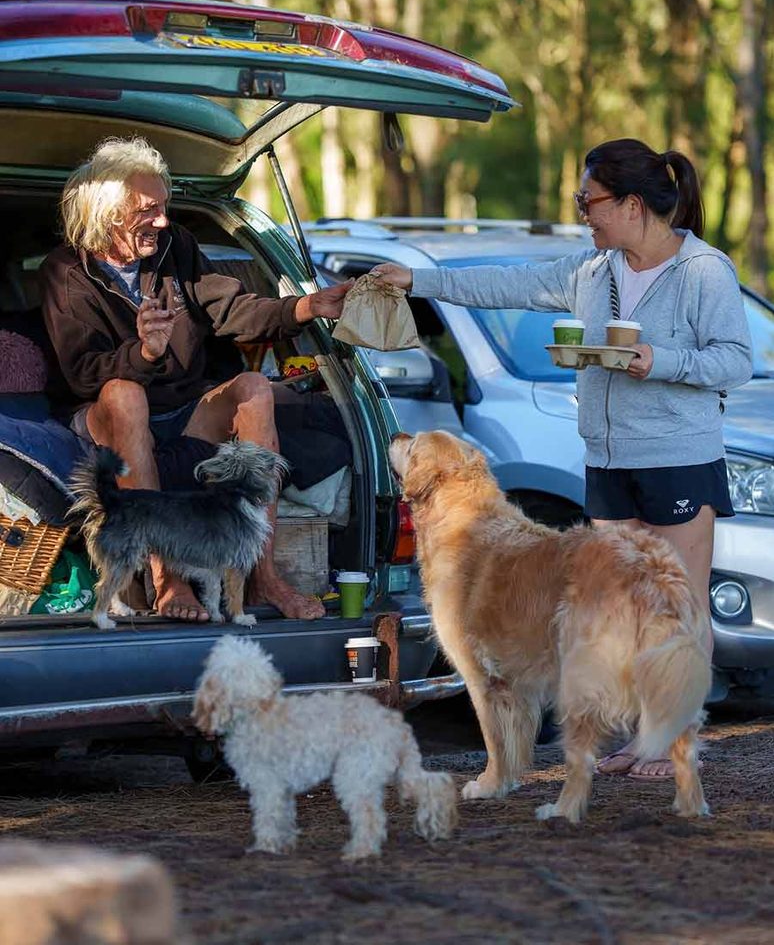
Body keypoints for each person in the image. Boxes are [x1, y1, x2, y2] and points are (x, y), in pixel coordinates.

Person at [372, 137, 753, 779]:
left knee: (679, 604)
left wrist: (660, 361)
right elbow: (508, 282)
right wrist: (419, 280)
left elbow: (735, 360)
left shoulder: (703, 271)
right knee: (618, 610)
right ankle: (641, 735)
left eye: (588, 200)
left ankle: (674, 740)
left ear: (632, 205)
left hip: (678, 458)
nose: (582, 213)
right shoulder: (593, 272)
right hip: (607, 460)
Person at [41, 137, 353, 623]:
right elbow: (83, 374)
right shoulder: (65, 272)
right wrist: (144, 353)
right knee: (125, 393)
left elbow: (232, 310)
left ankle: (262, 576)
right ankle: (168, 579)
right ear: (108, 213)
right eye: (148, 210)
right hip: (110, 416)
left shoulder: (176, 246)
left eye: (163, 207)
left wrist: (306, 306)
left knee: (253, 388)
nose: (162, 221)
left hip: (184, 411)